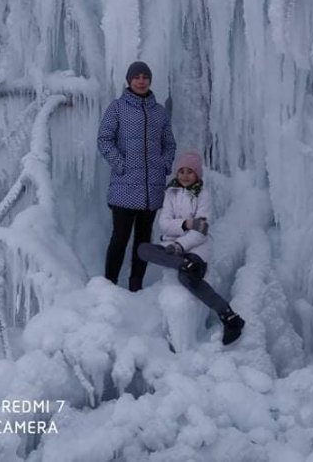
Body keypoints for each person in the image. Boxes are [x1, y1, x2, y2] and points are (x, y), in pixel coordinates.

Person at [138, 150, 245, 345]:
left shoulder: (203, 196)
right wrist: (187, 224)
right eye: (181, 171)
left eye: (190, 172)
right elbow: (164, 223)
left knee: (187, 279)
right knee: (143, 249)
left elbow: (201, 230)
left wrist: (181, 243)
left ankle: (229, 317)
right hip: (172, 247)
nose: (185, 175)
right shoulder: (170, 193)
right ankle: (182, 263)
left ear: (197, 174)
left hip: (196, 248)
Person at [97, 61, 176, 292]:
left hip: (151, 189)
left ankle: (135, 287)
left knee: (143, 243)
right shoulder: (118, 108)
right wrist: (121, 164)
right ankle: (108, 285)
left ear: (150, 80)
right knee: (119, 239)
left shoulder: (159, 112)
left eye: (145, 77)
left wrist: (164, 165)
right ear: (129, 80)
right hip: (124, 188)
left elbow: (169, 144)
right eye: (137, 77)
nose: (141, 81)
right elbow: (104, 139)